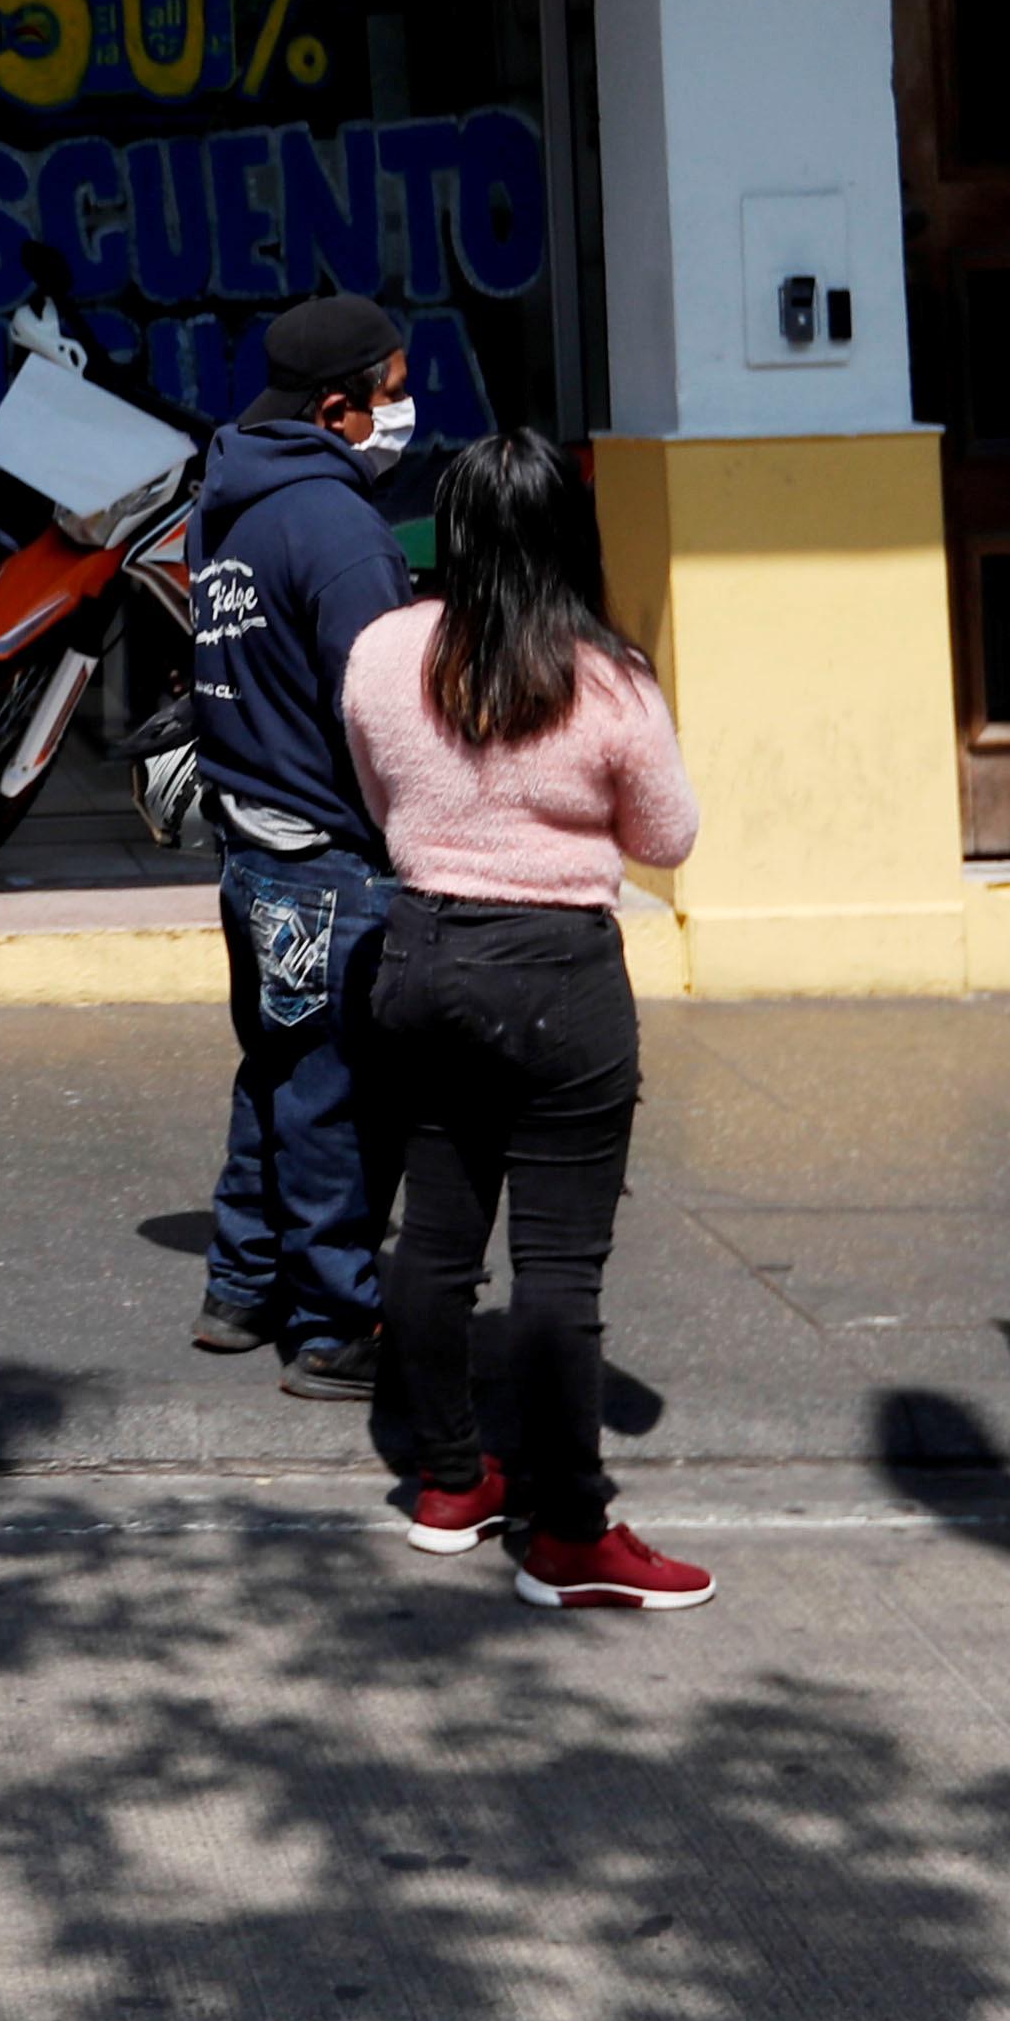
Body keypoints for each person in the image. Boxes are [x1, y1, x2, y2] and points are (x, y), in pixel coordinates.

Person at [354, 429, 706, 1608]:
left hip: (420, 953)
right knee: (559, 1267)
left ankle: (453, 1479)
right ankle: (569, 1530)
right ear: (570, 532)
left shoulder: (383, 651)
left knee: (434, 1234)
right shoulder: (610, 678)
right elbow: (666, 839)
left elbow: (379, 790)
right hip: (557, 976)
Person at [175, 291, 416, 1397]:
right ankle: (334, 1324)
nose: (406, 410)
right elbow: (380, 707)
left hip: (252, 845)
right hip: (324, 857)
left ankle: (241, 1285)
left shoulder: (226, 497)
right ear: (337, 407)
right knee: (333, 1093)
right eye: (395, 392)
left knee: (276, 1070)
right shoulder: (335, 525)